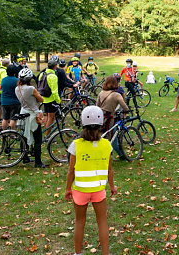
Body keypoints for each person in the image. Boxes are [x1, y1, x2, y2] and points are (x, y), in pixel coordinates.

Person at [64, 106, 117, 255]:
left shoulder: (76, 145)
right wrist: (112, 186)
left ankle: (77, 253)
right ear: (101, 124)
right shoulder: (107, 145)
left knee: (80, 222)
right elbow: (109, 170)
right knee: (102, 222)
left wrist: (68, 189)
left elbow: (71, 171)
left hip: (80, 190)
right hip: (99, 190)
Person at [15, 68, 48, 168]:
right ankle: (38, 162)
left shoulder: (17, 88)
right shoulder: (31, 89)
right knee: (38, 139)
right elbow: (41, 99)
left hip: (23, 112)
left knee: (24, 136)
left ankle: (24, 157)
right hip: (33, 114)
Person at [40, 60, 61, 137]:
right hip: (51, 99)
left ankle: (46, 132)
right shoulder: (53, 76)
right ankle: (47, 135)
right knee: (51, 118)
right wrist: (58, 101)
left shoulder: (42, 73)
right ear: (55, 66)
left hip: (44, 98)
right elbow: (55, 91)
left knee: (47, 116)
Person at [0, 65, 21, 130]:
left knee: (5, 118)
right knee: (13, 119)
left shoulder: (3, 80)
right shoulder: (17, 80)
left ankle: (4, 133)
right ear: (15, 72)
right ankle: (11, 134)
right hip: (14, 102)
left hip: (4, 101)